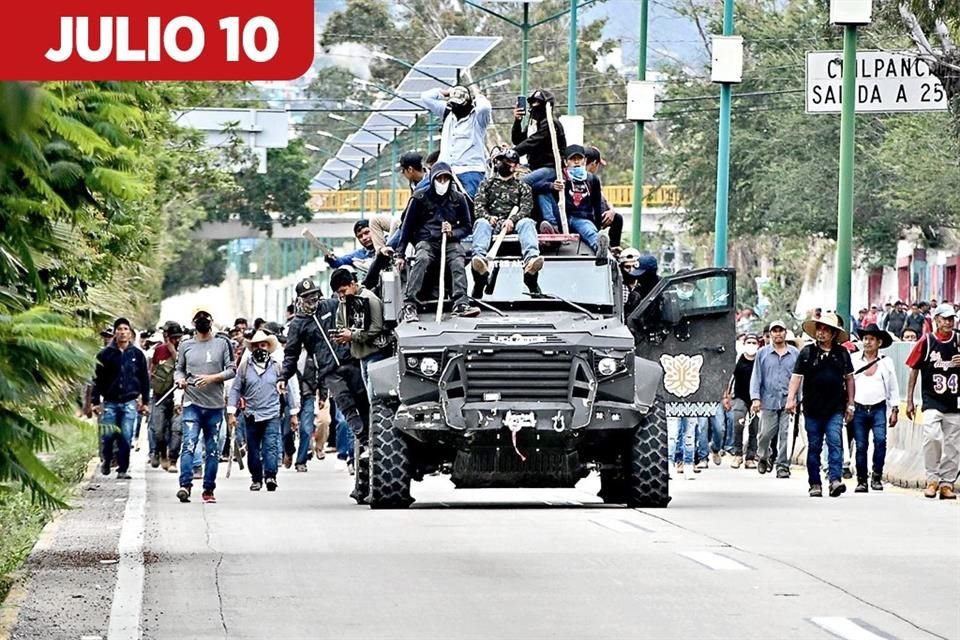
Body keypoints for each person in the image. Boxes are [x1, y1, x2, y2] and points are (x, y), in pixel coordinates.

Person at [282, 278, 368, 452]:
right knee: (346, 404)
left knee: (363, 400)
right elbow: (291, 354)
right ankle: (364, 439)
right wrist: (284, 376)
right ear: (299, 299)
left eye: (314, 295)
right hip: (329, 372)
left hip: (351, 361)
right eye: (307, 297)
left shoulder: (332, 305)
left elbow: (354, 313)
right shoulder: (298, 324)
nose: (312, 299)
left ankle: (372, 435)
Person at [394, 162, 480, 322]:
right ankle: (410, 304)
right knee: (422, 258)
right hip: (426, 241)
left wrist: (453, 232)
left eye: (445, 178)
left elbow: (468, 227)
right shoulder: (419, 197)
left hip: (450, 241)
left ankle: (461, 302)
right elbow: (406, 227)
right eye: (439, 178)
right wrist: (400, 253)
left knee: (457, 259)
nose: (442, 182)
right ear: (432, 179)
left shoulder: (458, 198)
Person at [786, 312, 855, 498]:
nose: (821, 333)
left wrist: (850, 403)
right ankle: (815, 483)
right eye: (819, 329)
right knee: (814, 446)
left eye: (826, 330)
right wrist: (791, 398)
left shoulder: (841, 354)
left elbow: (849, 379)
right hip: (812, 408)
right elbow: (796, 377)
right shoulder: (807, 353)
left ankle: (834, 479)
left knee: (835, 442)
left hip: (835, 407)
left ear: (833, 334)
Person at [174, 307, 236, 504]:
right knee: (189, 444)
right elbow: (179, 370)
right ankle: (185, 484)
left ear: (211, 320)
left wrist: (212, 378)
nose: (202, 321)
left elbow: (231, 370)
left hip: (215, 405)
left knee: (212, 449)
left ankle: (208, 488)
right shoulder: (186, 345)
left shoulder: (222, 343)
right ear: (193, 322)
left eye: (205, 317)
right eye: (198, 318)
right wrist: (180, 380)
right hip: (191, 402)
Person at [228, 329, 299, 492]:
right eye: (258, 346)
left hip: (272, 413)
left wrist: (294, 414)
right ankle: (256, 479)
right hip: (251, 413)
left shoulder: (277, 367)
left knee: (271, 445)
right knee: (253, 448)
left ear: (269, 347)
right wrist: (231, 412)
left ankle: (270, 476)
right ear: (252, 348)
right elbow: (235, 389)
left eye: (264, 345)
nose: (261, 348)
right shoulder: (245, 367)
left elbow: (287, 390)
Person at [905, 303, 960, 500]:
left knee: (953, 444)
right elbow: (913, 369)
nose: (948, 322)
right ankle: (932, 479)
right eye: (945, 319)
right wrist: (910, 399)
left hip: (954, 401)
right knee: (932, 436)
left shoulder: (958, 340)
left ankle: (947, 483)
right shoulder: (926, 342)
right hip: (932, 400)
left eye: (951, 319)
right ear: (936, 320)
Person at [470, 149, 542, 286]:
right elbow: (478, 206)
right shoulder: (486, 184)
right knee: (481, 223)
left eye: (508, 161)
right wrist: (488, 217)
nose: (503, 164)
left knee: (527, 223)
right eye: (502, 161)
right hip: (492, 225)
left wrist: (512, 220)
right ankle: (480, 261)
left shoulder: (523, 188)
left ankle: (531, 261)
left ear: (515, 166)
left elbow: (526, 209)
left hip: (515, 225)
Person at [91, 317, 151, 480]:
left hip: (129, 401)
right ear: (115, 333)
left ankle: (123, 469)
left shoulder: (137, 354)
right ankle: (107, 459)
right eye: (120, 329)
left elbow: (144, 379)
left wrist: (145, 402)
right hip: (110, 402)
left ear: (130, 333)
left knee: (126, 436)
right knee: (108, 436)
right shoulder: (105, 355)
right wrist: (95, 402)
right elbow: (97, 379)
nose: (123, 332)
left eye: (126, 329)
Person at [534, 144, 610, 265]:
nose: (576, 162)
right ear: (565, 162)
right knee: (543, 193)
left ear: (584, 160)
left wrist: (597, 225)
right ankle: (553, 229)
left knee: (589, 231)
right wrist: (552, 186)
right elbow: (535, 187)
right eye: (572, 159)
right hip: (560, 216)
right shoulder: (558, 175)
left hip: (581, 218)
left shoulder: (592, 180)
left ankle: (600, 248)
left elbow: (597, 204)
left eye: (579, 158)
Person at [850, 324, 899, 493]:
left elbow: (893, 387)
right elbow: (847, 383)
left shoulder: (886, 362)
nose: (868, 342)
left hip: (879, 407)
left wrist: (895, 409)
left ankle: (877, 476)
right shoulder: (854, 359)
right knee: (861, 445)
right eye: (865, 339)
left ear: (879, 342)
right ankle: (861, 480)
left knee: (880, 441)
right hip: (858, 408)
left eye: (871, 339)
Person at [419, 85, 491, 197]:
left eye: (459, 103)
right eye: (454, 103)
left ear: (468, 102)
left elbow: (485, 108)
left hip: (470, 169)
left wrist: (478, 97)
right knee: (420, 192)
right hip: (444, 168)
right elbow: (425, 97)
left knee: (469, 198)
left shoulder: (478, 119)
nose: (456, 107)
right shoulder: (447, 113)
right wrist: (448, 92)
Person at [331, 267, 392, 398]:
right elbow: (340, 323)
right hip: (361, 356)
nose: (341, 295)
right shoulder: (344, 302)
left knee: (375, 397)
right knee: (371, 398)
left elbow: (377, 327)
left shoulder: (370, 299)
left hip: (376, 355)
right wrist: (343, 335)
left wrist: (352, 335)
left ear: (352, 284)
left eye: (343, 290)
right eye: (338, 293)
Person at [751, 320, 800, 479]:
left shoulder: (794, 354)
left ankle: (782, 466)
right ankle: (763, 455)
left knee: (785, 434)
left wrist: (798, 399)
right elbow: (756, 377)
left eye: (780, 330)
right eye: (774, 331)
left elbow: (800, 378)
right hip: (768, 400)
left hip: (788, 400)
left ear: (785, 332)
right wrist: (755, 398)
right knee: (765, 434)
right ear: (770, 334)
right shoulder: (762, 353)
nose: (778, 334)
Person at [513, 88, 566, 228]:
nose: (532, 107)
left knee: (520, 184)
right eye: (531, 103)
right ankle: (552, 225)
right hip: (535, 168)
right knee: (542, 191)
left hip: (550, 167)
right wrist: (517, 121)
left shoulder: (550, 123)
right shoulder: (533, 124)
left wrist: (511, 155)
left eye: (537, 103)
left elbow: (532, 142)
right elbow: (518, 140)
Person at [149, 321, 184, 472]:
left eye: (178, 337)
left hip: (178, 397)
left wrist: (173, 351)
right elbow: (153, 370)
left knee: (177, 429)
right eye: (173, 337)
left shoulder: (185, 350)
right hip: (160, 396)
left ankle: (173, 459)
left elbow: (182, 367)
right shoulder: (159, 350)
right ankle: (161, 452)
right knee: (158, 429)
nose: (176, 341)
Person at [726, 333, 759, 469]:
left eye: (754, 342)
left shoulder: (760, 359)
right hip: (740, 396)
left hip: (756, 398)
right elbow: (730, 378)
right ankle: (737, 454)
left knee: (755, 428)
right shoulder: (738, 359)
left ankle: (750, 457)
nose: (751, 345)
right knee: (738, 425)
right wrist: (726, 396)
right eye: (749, 342)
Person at [584, 145, 624, 250]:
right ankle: (610, 247)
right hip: (588, 216)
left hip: (596, 215)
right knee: (617, 219)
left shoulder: (594, 180)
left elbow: (602, 198)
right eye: (598, 165)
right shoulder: (587, 179)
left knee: (616, 217)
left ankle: (614, 248)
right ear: (593, 164)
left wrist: (611, 210)